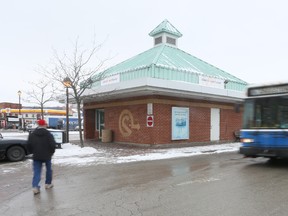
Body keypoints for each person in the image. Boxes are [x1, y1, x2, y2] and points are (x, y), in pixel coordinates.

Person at [27, 119, 56, 195]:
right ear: (44, 125)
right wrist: (51, 153)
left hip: (36, 156)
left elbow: (29, 145)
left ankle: (35, 187)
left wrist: (33, 152)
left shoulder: (32, 134)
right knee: (49, 170)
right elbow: (53, 145)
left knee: (37, 172)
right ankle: (48, 184)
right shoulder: (48, 134)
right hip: (47, 156)